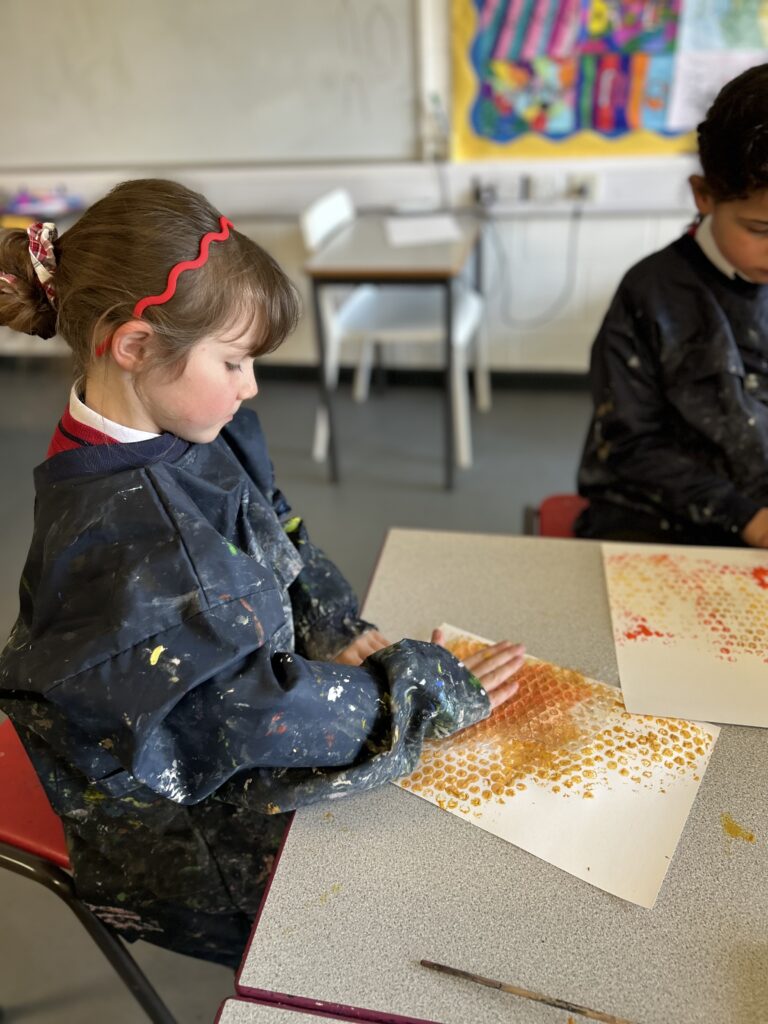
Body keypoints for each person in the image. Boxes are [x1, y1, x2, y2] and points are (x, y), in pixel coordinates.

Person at [0, 179, 526, 969]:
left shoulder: (187, 415)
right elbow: (253, 718)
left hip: (239, 703)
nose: (250, 386)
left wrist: (334, 623)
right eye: (236, 361)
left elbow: (276, 523)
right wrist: (420, 689)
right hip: (187, 837)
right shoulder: (134, 549)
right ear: (136, 344)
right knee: (426, 923)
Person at [575, 63, 768, 548]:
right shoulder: (650, 294)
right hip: (658, 514)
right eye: (761, 231)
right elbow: (630, 446)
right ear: (704, 196)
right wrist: (745, 517)